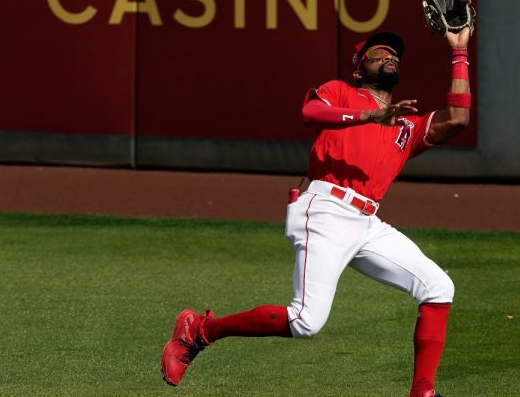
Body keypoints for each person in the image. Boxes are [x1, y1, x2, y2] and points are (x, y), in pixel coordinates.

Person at [161, 26, 472, 397]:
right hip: (324, 208)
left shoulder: (405, 123)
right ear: (359, 69)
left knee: (438, 287)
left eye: (394, 55)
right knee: (306, 320)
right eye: (379, 54)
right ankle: (200, 331)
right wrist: (371, 117)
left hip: (366, 222)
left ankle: (422, 392)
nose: (389, 57)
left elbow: (457, 119)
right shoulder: (341, 92)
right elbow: (311, 112)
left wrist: (459, 51)